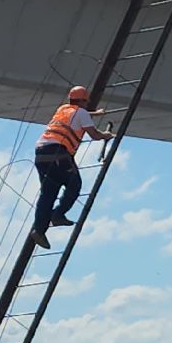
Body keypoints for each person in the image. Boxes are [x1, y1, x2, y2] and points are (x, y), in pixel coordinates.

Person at [32, 85, 113, 249]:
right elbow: (94, 135)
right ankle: (58, 215)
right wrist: (106, 135)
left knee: (48, 193)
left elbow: (79, 116)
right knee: (74, 184)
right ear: (83, 101)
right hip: (58, 153)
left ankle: (39, 231)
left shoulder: (63, 109)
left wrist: (94, 115)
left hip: (41, 153)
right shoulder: (81, 113)